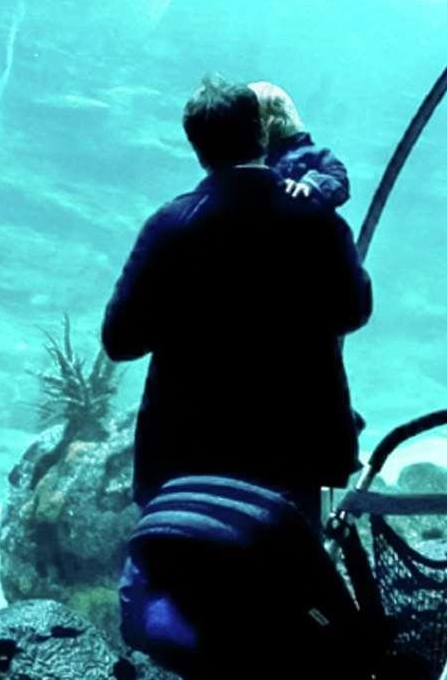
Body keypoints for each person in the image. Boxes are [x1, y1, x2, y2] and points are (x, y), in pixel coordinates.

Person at [100, 75, 374, 518]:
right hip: (296, 452)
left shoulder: (170, 226)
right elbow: (355, 310)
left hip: (187, 458)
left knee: (186, 583)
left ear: (196, 145)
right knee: (286, 581)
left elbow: (120, 340)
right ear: (263, 132)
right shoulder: (317, 221)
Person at [249, 79, 350, 209]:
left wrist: (311, 185)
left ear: (268, 119)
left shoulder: (315, 154)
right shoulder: (252, 157)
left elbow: (340, 182)